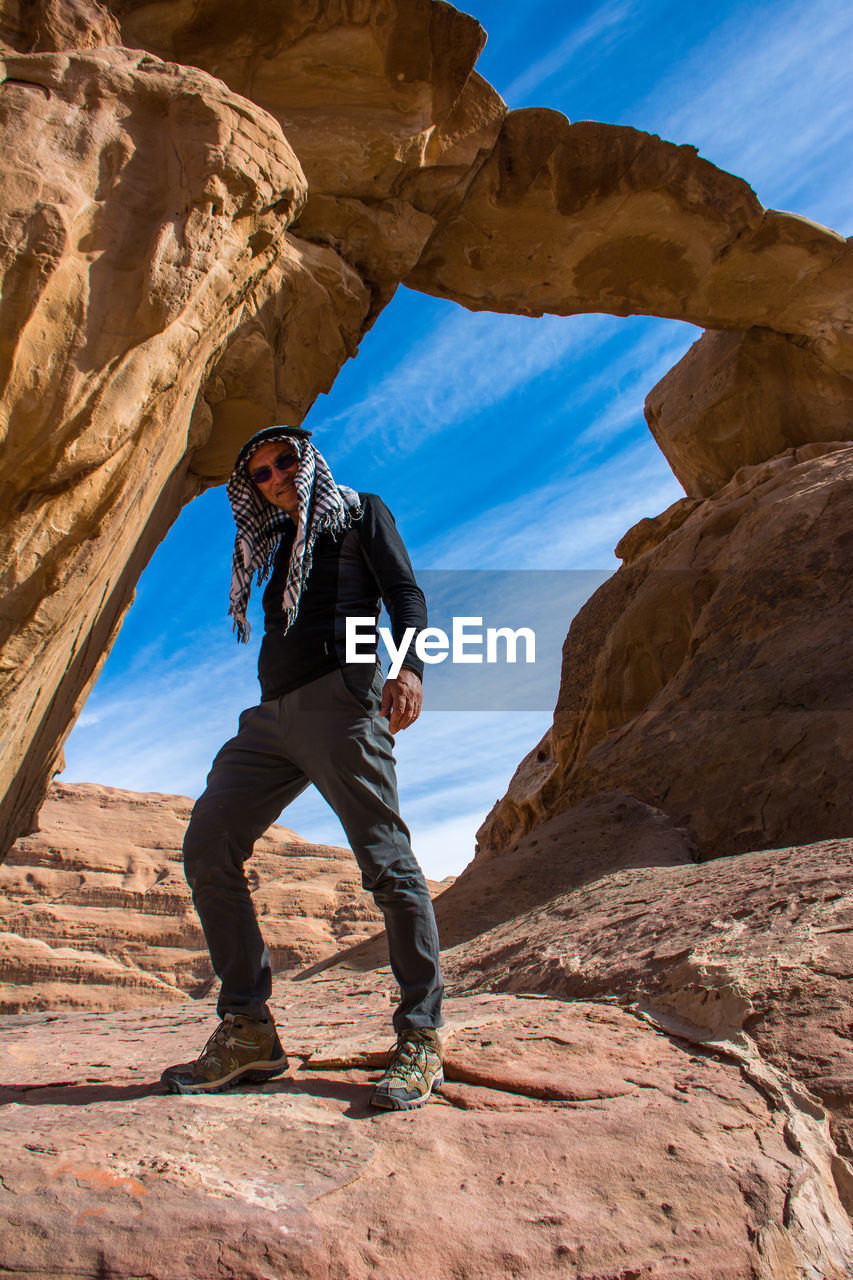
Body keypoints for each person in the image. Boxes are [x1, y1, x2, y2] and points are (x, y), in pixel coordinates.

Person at [160, 425, 444, 1109]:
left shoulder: (357, 511)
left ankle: (420, 1036)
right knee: (207, 844)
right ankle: (250, 1031)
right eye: (259, 473)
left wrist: (407, 667)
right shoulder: (274, 543)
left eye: (284, 461)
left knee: (385, 862)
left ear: (306, 460)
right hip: (269, 716)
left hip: (341, 698)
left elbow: (403, 594)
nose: (275, 476)